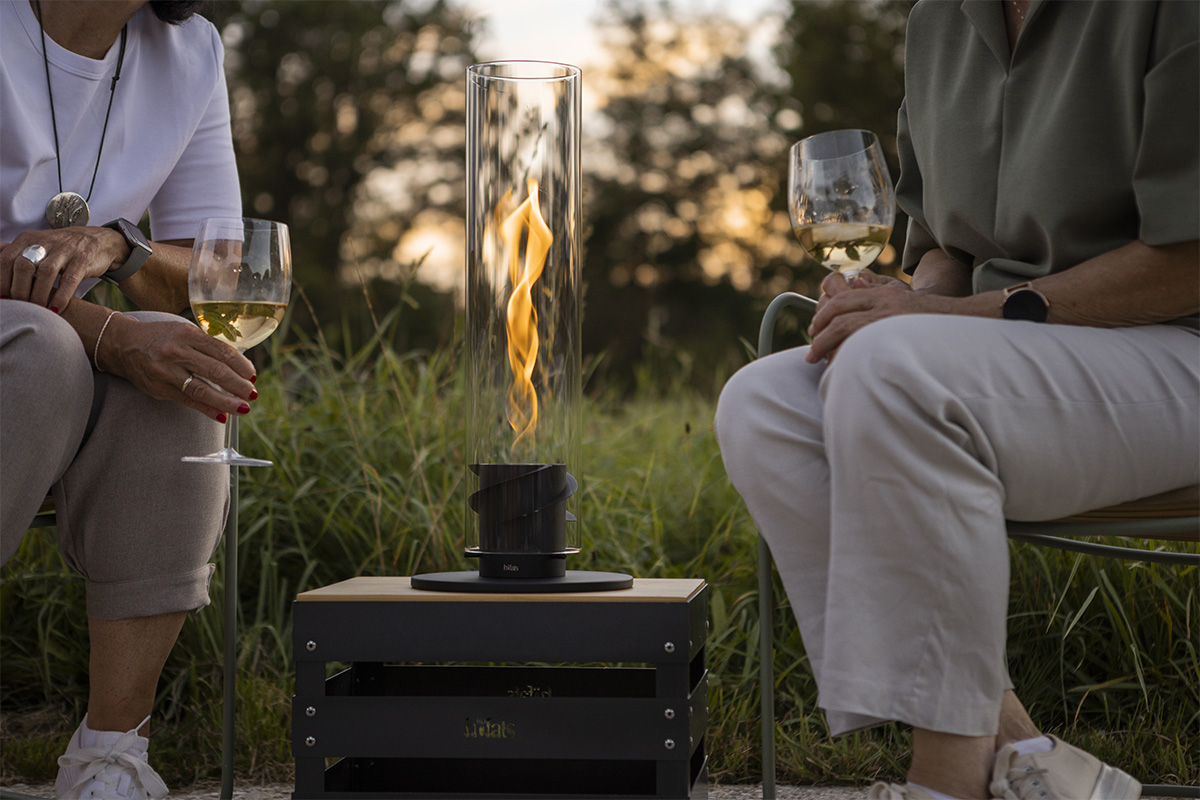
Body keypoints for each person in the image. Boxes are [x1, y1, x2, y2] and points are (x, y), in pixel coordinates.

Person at [715, 1, 1198, 798]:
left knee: (894, 368)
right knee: (764, 405)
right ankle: (1023, 750)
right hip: (1012, 356)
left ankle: (945, 780)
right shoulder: (941, 19)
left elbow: (1188, 263)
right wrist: (891, 298)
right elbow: (944, 244)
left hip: (1175, 344)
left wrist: (943, 319)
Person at [0, 1, 257, 798]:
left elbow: (222, 269)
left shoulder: (189, 50)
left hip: (62, 325)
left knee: (177, 369)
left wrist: (121, 243)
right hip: (31, 345)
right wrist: (108, 334)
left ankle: (111, 755)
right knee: (45, 354)